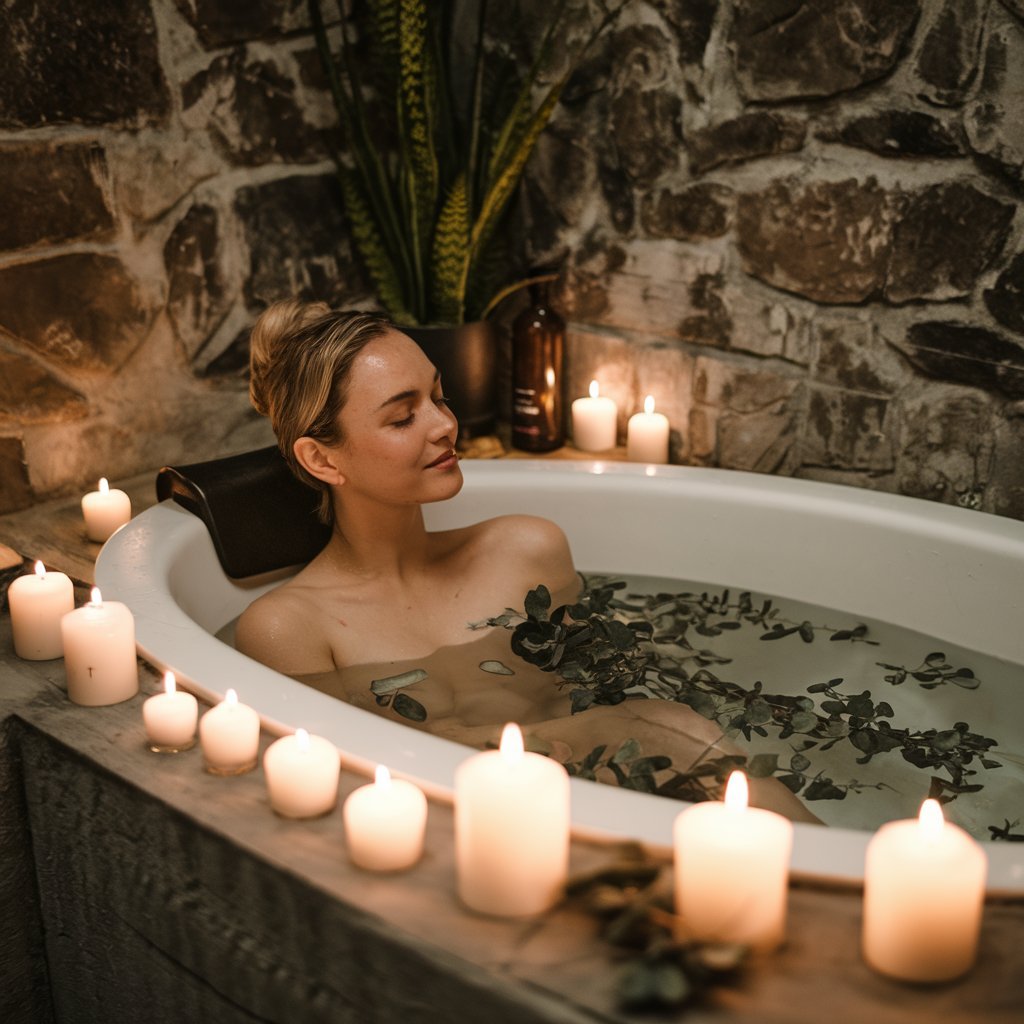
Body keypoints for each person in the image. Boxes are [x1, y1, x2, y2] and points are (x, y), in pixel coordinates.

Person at [237, 300, 819, 823]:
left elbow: (603, 682)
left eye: (439, 396)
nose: (446, 425)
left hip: (610, 790)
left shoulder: (525, 551)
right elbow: (363, 774)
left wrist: (624, 725)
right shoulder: (288, 628)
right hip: (462, 826)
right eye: (402, 416)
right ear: (321, 459)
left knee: (688, 729)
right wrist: (600, 729)